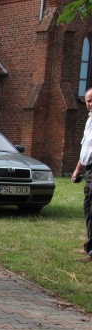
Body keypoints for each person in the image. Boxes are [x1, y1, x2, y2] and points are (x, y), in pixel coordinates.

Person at [71, 87, 92, 262]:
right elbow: (85, 149)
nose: (90, 104)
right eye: (88, 101)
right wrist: (78, 170)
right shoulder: (89, 121)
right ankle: (89, 246)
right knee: (88, 208)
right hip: (89, 170)